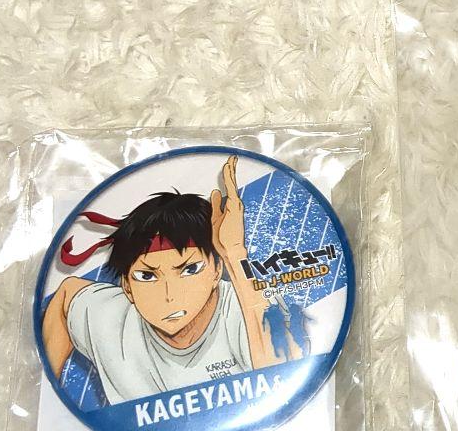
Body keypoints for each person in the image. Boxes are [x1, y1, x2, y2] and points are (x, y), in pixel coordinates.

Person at [42, 155, 281, 405]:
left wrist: (235, 254)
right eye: (147, 276)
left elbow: (281, 375)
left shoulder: (251, 311)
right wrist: (49, 398)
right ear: (127, 287)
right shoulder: (110, 321)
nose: (170, 295)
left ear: (216, 270)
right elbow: (68, 294)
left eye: (190, 269)